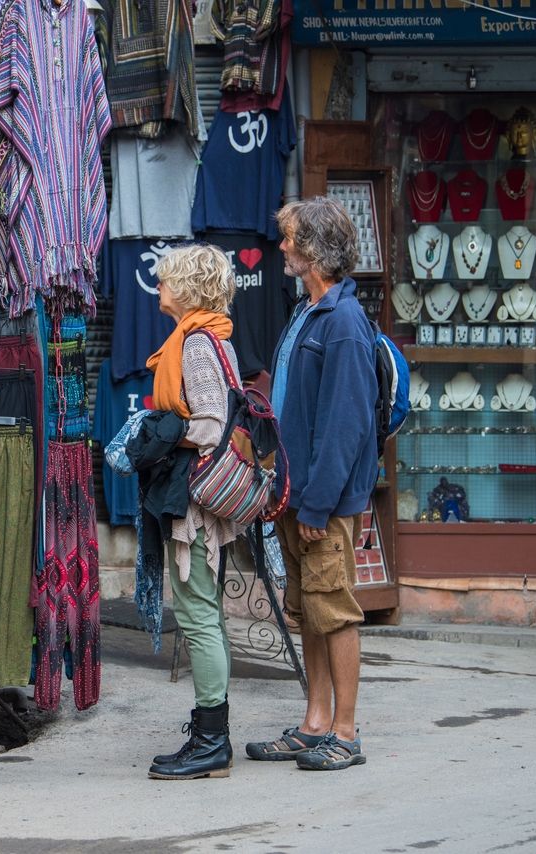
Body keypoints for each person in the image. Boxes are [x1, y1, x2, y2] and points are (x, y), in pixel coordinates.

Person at [246, 196, 376, 771]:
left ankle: (344, 733)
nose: (282, 247)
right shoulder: (308, 312)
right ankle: (314, 722)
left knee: (334, 610)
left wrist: (318, 505)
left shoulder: (344, 322)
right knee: (309, 610)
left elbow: (345, 426)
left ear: (315, 249)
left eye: (290, 238)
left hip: (322, 502)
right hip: (295, 498)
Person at [141, 244, 244, 781]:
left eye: (165, 281)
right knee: (204, 612)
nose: (158, 288)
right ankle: (211, 736)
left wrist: (159, 434)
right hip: (195, 498)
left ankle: (211, 743)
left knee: (198, 614)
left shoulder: (199, 345)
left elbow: (210, 424)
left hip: (195, 504)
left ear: (188, 288)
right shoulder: (203, 338)